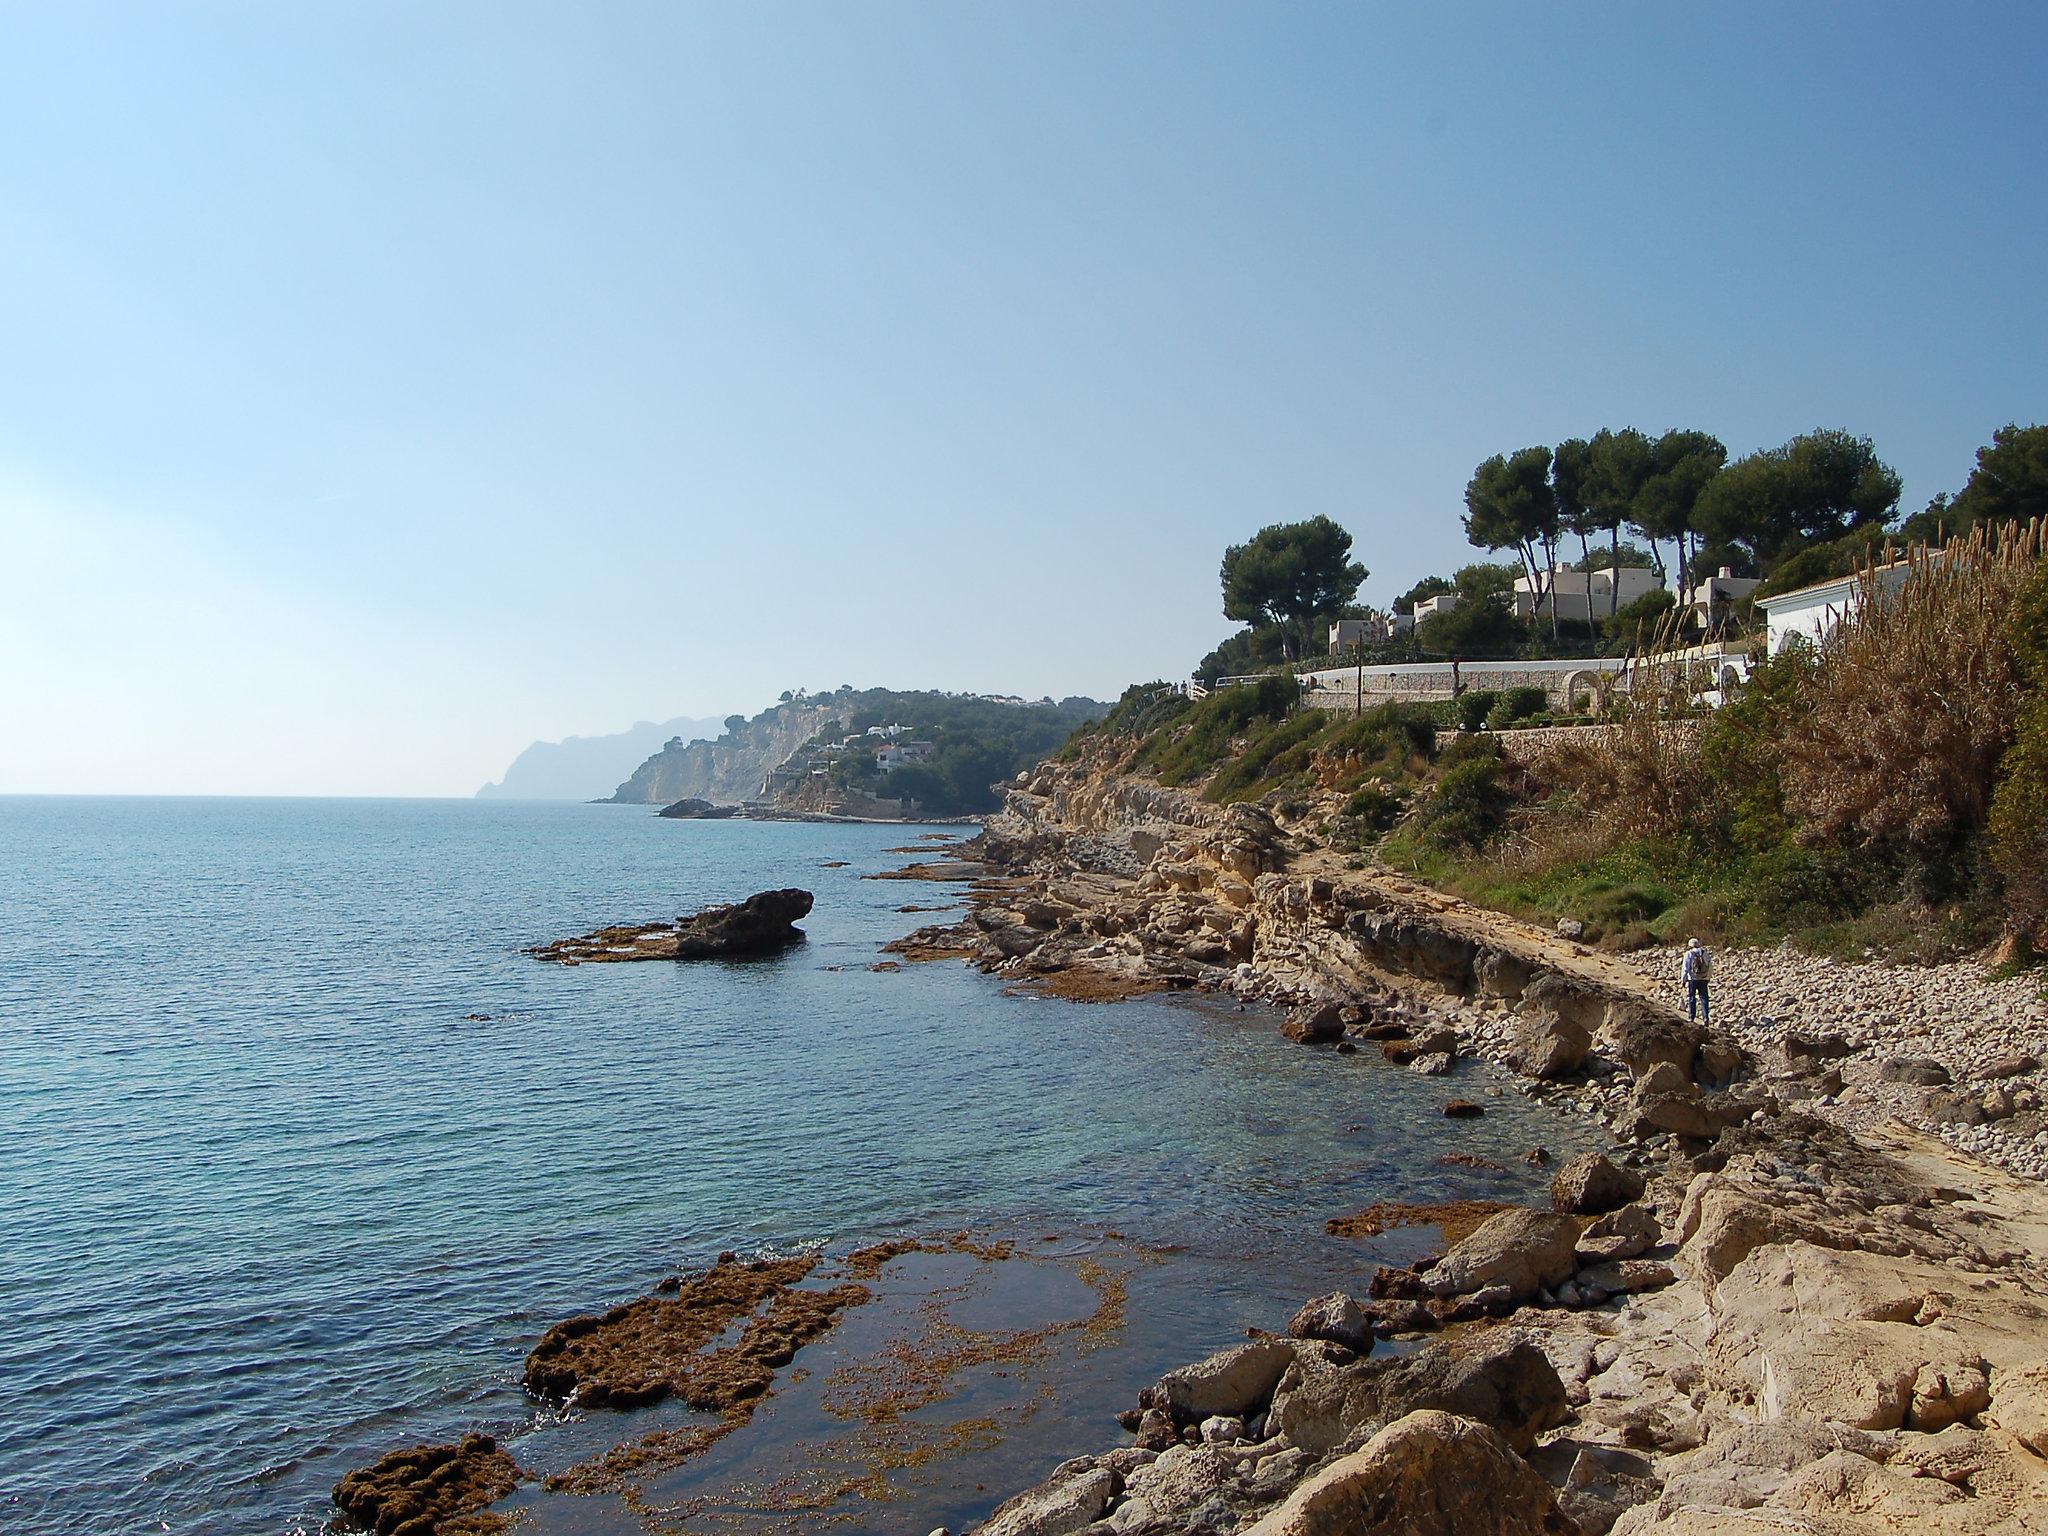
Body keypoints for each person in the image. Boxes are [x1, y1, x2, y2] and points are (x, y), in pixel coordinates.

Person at [1681, 937, 1712, 1027]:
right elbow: (1710, 966)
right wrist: (1708, 977)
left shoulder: (1688, 953)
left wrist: (1683, 980)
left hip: (1692, 979)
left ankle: (1691, 1017)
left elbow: (1685, 968)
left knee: (1692, 997)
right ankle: (1706, 1018)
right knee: (1704, 998)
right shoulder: (1704, 953)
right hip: (1703, 979)